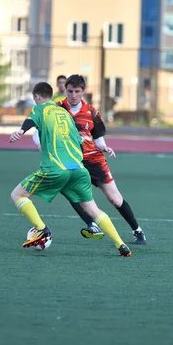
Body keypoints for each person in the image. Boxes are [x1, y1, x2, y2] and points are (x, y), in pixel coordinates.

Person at [9, 82, 132, 257]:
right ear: (52, 95)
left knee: (17, 195)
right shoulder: (65, 114)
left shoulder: (41, 108)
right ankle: (121, 245)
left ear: (37, 97)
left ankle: (42, 230)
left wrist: (20, 132)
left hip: (56, 168)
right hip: (79, 169)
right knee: (93, 209)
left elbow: (30, 120)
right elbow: (79, 140)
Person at [45, 74, 146, 245]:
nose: (73, 95)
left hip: (94, 159)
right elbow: (44, 130)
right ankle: (92, 225)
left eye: (77, 91)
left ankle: (138, 231)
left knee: (115, 198)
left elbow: (98, 138)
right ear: (65, 91)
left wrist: (104, 147)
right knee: (71, 192)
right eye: (70, 91)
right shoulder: (56, 109)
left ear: (83, 91)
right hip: (71, 161)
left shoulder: (91, 112)